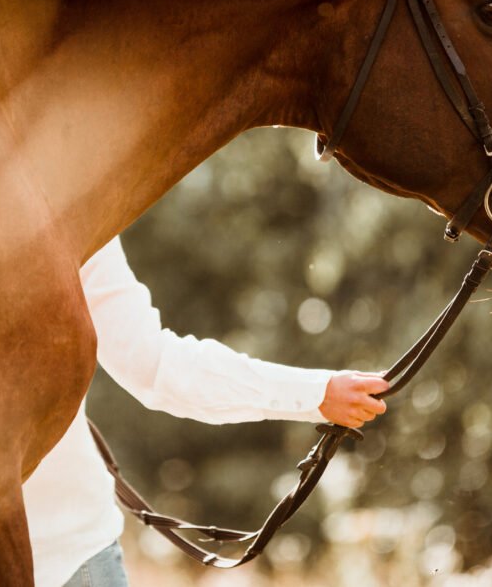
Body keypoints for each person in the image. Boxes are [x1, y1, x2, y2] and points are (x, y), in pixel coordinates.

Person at [23, 237, 390, 586]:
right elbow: (156, 365)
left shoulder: (72, 217)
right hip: (52, 549)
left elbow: (155, 363)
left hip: (67, 554)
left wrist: (316, 394)